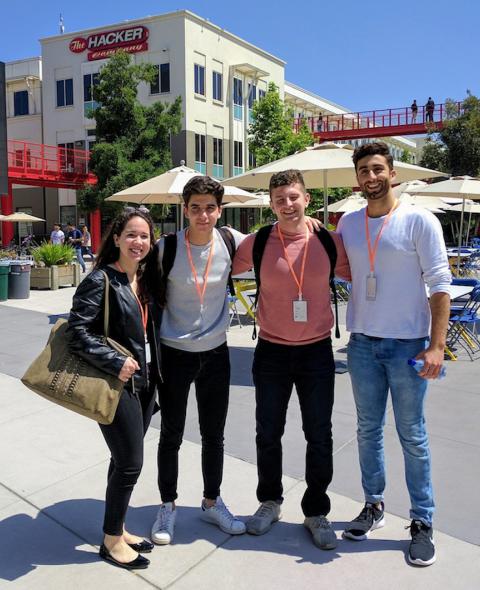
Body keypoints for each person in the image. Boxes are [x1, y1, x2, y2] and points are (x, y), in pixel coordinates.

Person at [337, 142, 451, 566]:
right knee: (368, 430)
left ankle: (422, 520)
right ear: (358, 178)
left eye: (378, 169)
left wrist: (437, 346)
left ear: (392, 173)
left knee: (413, 436)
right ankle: (374, 504)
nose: (371, 177)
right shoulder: (348, 223)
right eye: (364, 170)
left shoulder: (419, 220)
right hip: (363, 342)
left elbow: (440, 284)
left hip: (407, 345)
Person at [232, 169, 350, 550]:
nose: (287, 204)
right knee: (268, 432)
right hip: (271, 350)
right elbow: (216, 265)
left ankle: (316, 511)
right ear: (271, 203)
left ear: (307, 199)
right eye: (279, 198)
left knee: (319, 434)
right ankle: (270, 502)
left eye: (293, 197)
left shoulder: (330, 242)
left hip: (316, 351)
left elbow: (368, 270)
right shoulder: (259, 241)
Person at [149, 175, 247, 545]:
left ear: (220, 210)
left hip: (217, 354)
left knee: (214, 435)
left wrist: (309, 222)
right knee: (171, 434)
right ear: (184, 210)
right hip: (175, 354)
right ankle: (167, 506)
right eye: (195, 208)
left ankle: (211, 501)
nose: (203, 215)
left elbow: (274, 243)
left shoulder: (231, 241)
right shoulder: (167, 247)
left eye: (209, 208)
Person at [66, 209, 161, 570]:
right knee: (130, 465)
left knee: (121, 459)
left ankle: (118, 529)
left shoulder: (144, 278)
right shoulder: (102, 280)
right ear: (117, 238)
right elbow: (77, 332)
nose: (139, 242)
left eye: (145, 236)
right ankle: (110, 542)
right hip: (116, 383)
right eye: (132, 235)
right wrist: (114, 361)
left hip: (145, 381)